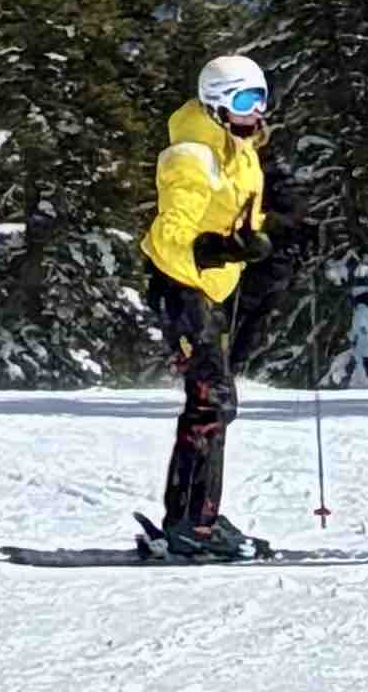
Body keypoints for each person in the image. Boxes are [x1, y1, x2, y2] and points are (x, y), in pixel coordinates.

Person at [139, 49, 296, 563]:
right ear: (216, 104)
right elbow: (170, 238)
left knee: (210, 404)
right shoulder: (192, 155)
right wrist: (220, 249)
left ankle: (188, 520)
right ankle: (195, 527)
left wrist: (274, 237)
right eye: (247, 99)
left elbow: (238, 216)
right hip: (181, 286)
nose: (259, 109)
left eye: (262, 97)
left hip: (210, 289)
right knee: (213, 402)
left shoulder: (238, 149)